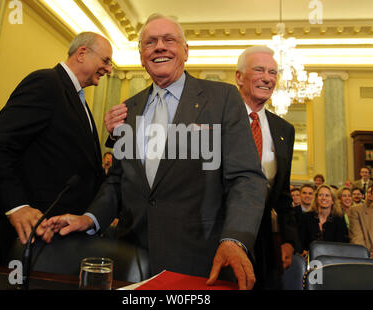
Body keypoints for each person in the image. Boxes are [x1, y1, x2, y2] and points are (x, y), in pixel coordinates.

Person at [45, 13, 267, 290]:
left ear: (185, 51)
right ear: (142, 56)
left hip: (202, 262)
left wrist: (235, 239)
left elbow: (247, 178)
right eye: (150, 42)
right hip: (131, 259)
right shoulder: (129, 108)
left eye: (169, 40)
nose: (160, 46)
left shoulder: (222, 98)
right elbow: (117, 181)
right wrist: (88, 218)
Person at [0, 32, 112, 262]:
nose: (109, 69)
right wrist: (17, 206)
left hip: (64, 237)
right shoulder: (46, 83)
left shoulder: (79, 101)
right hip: (33, 239)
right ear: (82, 54)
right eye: (106, 61)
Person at [235, 46, 298, 289]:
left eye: (273, 72)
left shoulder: (284, 130)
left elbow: (282, 194)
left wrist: (289, 240)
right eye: (259, 70)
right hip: (216, 237)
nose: (267, 77)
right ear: (239, 76)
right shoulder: (216, 119)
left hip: (262, 242)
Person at [299, 184, 348, 255]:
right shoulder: (306, 217)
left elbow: (342, 244)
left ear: (333, 201)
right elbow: (300, 241)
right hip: (309, 258)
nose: (323, 198)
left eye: (327, 195)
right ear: (316, 199)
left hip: (332, 258)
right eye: (320, 195)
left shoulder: (339, 219)